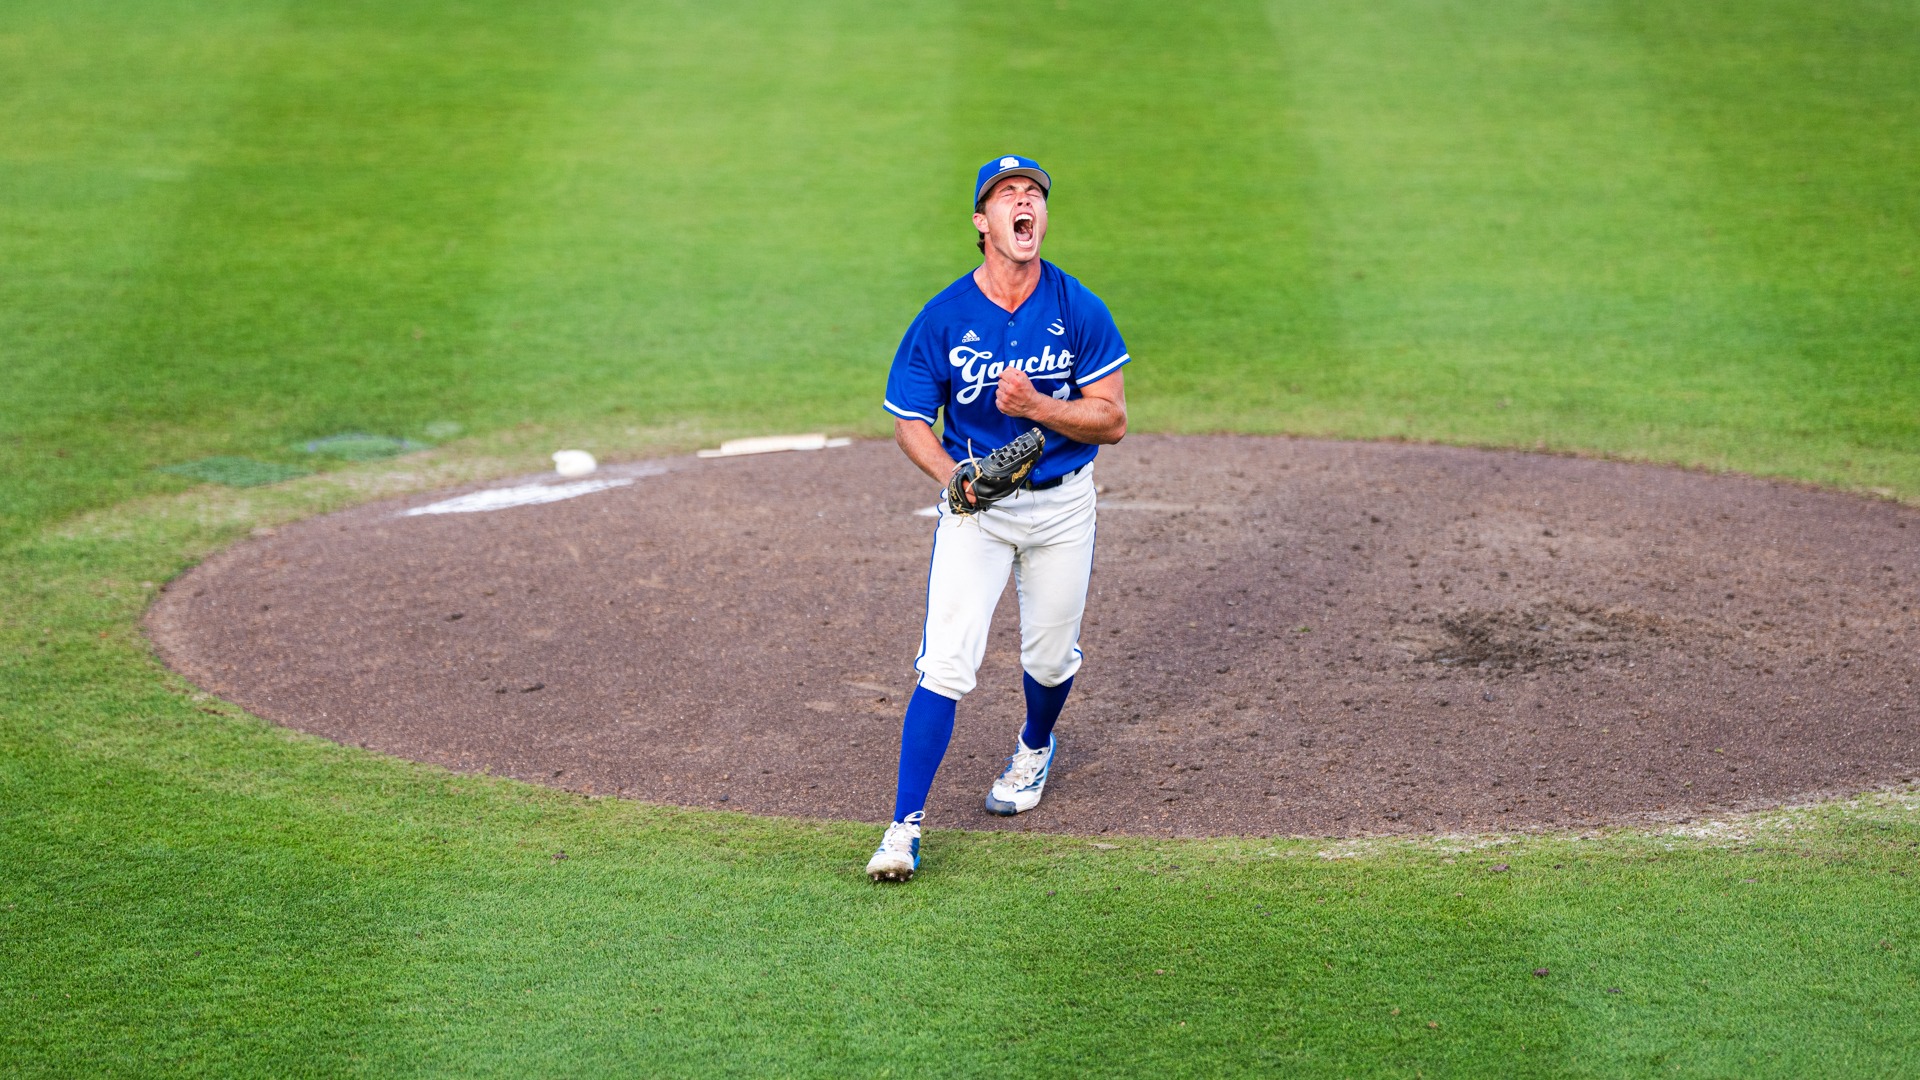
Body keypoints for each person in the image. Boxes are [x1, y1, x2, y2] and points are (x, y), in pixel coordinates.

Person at [866, 155, 1130, 882]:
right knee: (945, 663)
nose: (1025, 205)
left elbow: (1111, 420)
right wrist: (953, 476)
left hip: (1063, 507)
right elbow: (911, 421)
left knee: (1049, 658)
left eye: (1034, 196)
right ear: (982, 223)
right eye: (1008, 196)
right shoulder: (943, 317)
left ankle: (1035, 747)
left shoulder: (1079, 308)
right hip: (978, 510)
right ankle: (902, 829)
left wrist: (1037, 409)